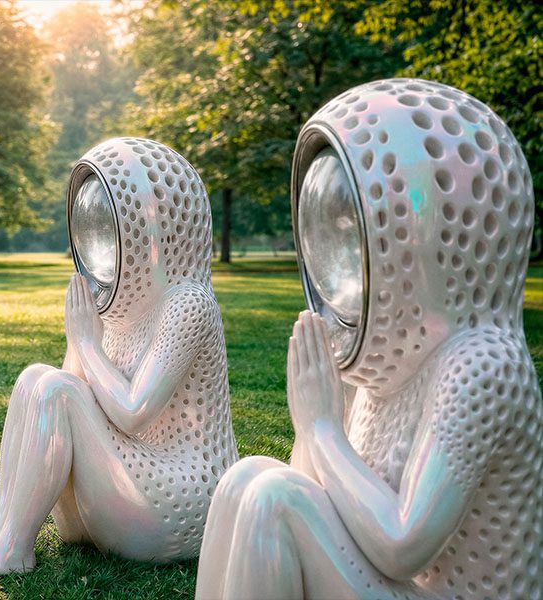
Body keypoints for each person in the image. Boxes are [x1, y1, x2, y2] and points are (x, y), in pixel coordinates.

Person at [195, 79, 541, 599]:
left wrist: (321, 429)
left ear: (427, 236)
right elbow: (318, 488)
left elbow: (403, 546)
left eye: (357, 226)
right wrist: (317, 423)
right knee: (246, 479)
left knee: (273, 500)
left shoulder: (483, 364)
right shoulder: (382, 352)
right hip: (397, 585)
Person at [0, 137, 238, 579]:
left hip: (183, 499)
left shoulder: (187, 303)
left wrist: (87, 344)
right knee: (35, 378)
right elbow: (67, 399)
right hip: (126, 483)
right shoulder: (119, 302)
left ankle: (14, 547)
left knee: (56, 389)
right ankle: (0, 536)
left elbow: (132, 412)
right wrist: (79, 343)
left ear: (154, 228)